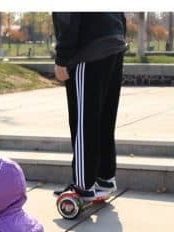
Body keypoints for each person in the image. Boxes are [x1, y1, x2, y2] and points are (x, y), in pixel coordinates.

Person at [51, 12, 127, 200]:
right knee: (104, 120)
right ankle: (105, 178)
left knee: (84, 121)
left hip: (88, 50)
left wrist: (62, 59)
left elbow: (67, 15)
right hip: (113, 42)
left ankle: (83, 185)